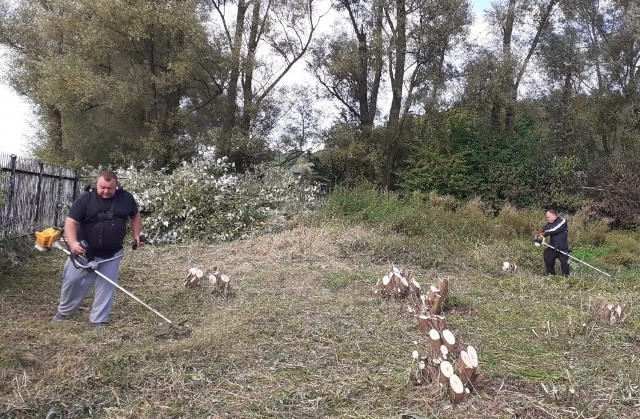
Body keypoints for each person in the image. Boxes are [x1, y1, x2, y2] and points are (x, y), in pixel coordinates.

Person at [52, 170, 142, 327]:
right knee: (73, 282)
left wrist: (136, 235)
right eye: (102, 187)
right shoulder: (85, 199)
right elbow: (71, 222)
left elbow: (135, 216)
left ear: (116, 186)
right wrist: (73, 244)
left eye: (110, 188)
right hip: (84, 252)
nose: (106, 191)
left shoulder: (126, 198)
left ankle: (99, 320)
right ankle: (65, 311)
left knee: (107, 286)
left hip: (112, 253)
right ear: (96, 183)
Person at [535, 210, 570, 277]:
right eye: (547, 217)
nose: (547, 219)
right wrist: (538, 238)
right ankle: (551, 275)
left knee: (565, 264)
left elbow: (554, 230)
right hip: (553, 247)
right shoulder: (548, 225)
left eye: (548, 217)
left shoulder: (562, 221)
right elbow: (543, 233)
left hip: (563, 248)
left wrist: (544, 233)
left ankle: (566, 277)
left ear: (554, 215)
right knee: (547, 255)